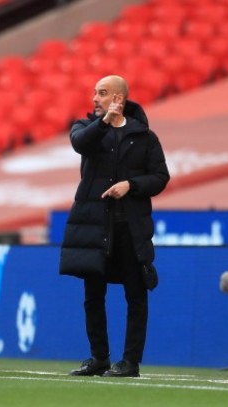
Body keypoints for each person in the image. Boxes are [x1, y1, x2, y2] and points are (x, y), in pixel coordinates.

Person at [59, 75, 170, 377]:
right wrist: (105, 122)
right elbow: (79, 144)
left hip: (130, 228)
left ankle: (130, 361)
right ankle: (99, 358)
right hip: (96, 226)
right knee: (93, 295)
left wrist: (131, 185)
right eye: (94, 93)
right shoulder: (87, 129)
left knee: (136, 294)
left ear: (119, 99)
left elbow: (160, 177)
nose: (95, 98)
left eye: (103, 93)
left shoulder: (145, 137)